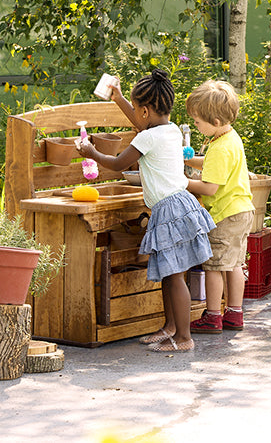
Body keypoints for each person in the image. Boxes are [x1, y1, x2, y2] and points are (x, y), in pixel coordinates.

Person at [77, 69, 215, 352]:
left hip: (169, 210)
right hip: (182, 204)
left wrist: (91, 152)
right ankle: (170, 328)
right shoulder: (171, 129)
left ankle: (184, 339)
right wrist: (118, 99)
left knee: (175, 276)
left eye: (137, 109)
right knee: (170, 272)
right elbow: (143, 124)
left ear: (144, 110)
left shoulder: (146, 138)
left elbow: (117, 164)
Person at [184, 80, 255, 333]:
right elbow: (212, 163)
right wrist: (191, 160)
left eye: (197, 121)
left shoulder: (220, 147)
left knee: (213, 266)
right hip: (241, 210)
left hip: (225, 215)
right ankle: (234, 314)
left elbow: (209, 188)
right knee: (234, 264)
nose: (195, 125)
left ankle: (213, 315)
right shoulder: (228, 138)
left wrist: (184, 182)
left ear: (214, 121)